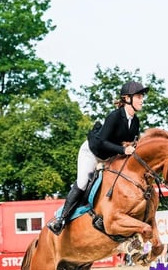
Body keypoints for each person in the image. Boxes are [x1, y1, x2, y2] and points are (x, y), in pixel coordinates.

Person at [48, 80, 148, 235]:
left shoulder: (135, 121)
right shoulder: (114, 116)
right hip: (93, 152)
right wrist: (123, 149)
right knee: (82, 183)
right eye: (139, 96)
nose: (142, 99)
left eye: (142, 96)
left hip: (110, 157)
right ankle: (61, 219)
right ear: (127, 98)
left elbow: (131, 143)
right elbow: (102, 142)